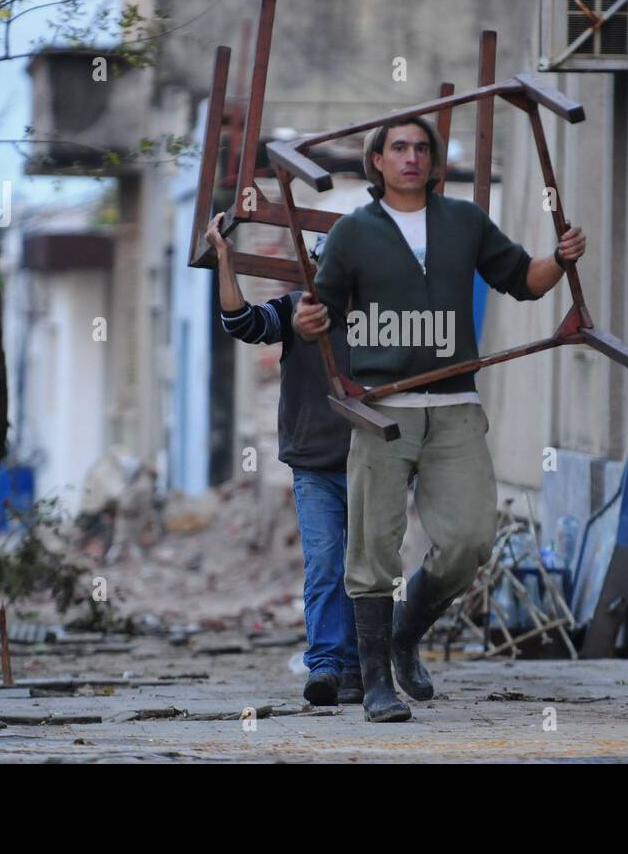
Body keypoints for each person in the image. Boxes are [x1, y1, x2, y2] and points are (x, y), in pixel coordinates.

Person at [302, 117, 585, 721]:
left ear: (433, 164)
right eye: (398, 148)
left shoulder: (464, 222)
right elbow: (321, 311)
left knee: (469, 539)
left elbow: (522, 281)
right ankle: (376, 681)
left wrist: (558, 261)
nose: (410, 157)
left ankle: (406, 633)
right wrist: (308, 322)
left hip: (455, 405)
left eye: (421, 149)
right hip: (384, 407)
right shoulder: (354, 232)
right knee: (373, 547)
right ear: (375, 160)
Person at [206, 214, 361, 706]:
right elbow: (242, 323)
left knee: (370, 569)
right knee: (324, 565)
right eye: (327, 263)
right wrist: (226, 261)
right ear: (314, 268)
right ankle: (327, 667)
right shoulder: (296, 311)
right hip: (315, 464)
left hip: (374, 462)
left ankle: (364, 667)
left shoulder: (386, 319)